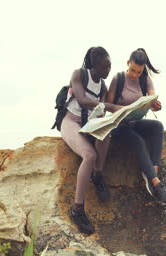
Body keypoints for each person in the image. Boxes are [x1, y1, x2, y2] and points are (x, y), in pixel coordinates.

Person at [61, 46, 121, 235]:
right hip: (71, 122)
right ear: (95, 65)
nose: (109, 70)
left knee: (106, 133)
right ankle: (77, 209)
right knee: (89, 155)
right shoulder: (79, 74)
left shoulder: (102, 86)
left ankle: (97, 175)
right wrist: (111, 106)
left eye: (110, 67)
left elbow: (99, 111)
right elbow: (82, 99)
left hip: (89, 124)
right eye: (106, 67)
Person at [106, 48, 166, 204]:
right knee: (138, 141)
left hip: (134, 121)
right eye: (133, 70)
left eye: (139, 72)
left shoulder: (146, 80)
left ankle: (152, 176)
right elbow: (107, 105)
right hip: (118, 125)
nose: (135, 74)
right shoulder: (118, 79)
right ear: (127, 63)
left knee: (157, 126)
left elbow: (151, 99)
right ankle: (157, 185)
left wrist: (155, 105)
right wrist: (121, 109)